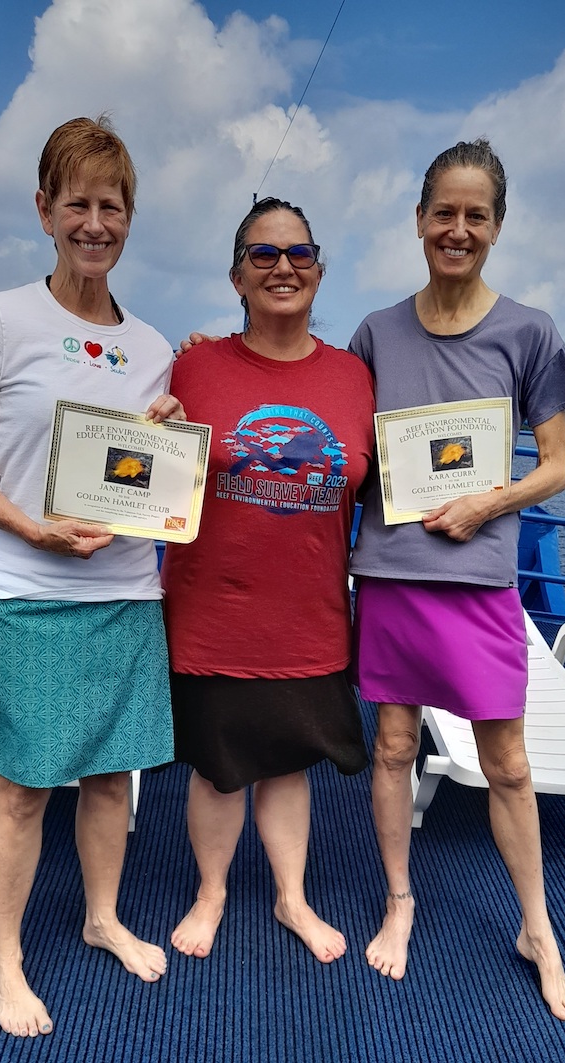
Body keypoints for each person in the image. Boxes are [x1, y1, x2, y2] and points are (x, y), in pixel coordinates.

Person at [0, 116, 184, 1038]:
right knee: (22, 788)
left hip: (124, 594)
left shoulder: (154, 348)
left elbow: (154, 474)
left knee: (112, 780)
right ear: (45, 209)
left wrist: (167, 436)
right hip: (28, 596)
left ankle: (102, 915)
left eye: (111, 205)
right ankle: (7, 954)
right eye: (76, 202)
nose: (94, 221)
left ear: (129, 218)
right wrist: (33, 526)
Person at [350, 138, 565, 1020]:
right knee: (394, 747)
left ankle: (538, 927)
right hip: (393, 575)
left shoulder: (530, 332)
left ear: (495, 226)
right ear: (419, 221)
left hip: (479, 582)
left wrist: (491, 503)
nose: (457, 229)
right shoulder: (376, 331)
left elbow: (557, 466)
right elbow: (343, 441)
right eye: (442, 213)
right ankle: (399, 902)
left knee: (509, 764)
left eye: (474, 216)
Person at [161, 197, 375, 963]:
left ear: (319, 269)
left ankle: (291, 898)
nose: (283, 267)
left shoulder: (356, 377)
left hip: (310, 613)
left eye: (300, 253)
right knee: (219, 770)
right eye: (263, 254)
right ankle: (211, 892)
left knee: (288, 762)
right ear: (236, 276)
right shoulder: (191, 365)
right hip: (213, 608)